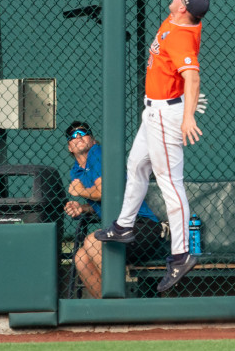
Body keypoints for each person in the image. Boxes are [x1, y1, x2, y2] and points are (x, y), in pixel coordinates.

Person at [94, 0, 235, 294]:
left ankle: (180, 255)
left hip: (167, 117)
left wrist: (190, 117)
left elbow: (192, 77)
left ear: (184, 10)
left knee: (170, 184)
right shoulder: (185, 15)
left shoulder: (181, 37)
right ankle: (125, 224)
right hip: (152, 114)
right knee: (135, 166)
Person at [63, 120, 167, 298]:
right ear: (70, 148)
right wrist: (83, 208)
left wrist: (80, 191)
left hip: (144, 227)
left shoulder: (97, 153)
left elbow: (104, 192)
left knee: (92, 241)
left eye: (83, 132)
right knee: (81, 258)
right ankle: (108, 309)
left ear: (93, 140)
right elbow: (105, 202)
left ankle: (119, 303)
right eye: (73, 135)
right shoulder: (77, 172)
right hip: (117, 231)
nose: (78, 136)